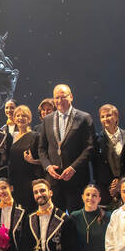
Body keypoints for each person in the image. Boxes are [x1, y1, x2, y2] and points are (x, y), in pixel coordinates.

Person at [38, 84, 94, 213]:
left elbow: (90, 148)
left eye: (63, 97)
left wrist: (74, 168)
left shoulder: (84, 118)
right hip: (54, 180)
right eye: (56, 98)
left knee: (76, 220)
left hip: (77, 179)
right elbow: (41, 149)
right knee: (56, 220)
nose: (59, 101)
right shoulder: (47, 119)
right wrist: (48, 167)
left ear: (71, 97)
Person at [6, 105, 41, 212]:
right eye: (18, 115)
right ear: (14, 119)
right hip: (16, 181)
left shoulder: (36, 136)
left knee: (31, 211)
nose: (20, 118)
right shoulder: (13, 137)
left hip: (30, 180)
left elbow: (45, 160)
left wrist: (33, 161)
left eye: (24, 116)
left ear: (29, 119)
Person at [93, 104, 123, 208]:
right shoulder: (96, 140)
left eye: (109, 115)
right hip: (105, 189)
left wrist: (120, 180)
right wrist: (112, 186)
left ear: (116, 117)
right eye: (102, 116)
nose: (106, 119)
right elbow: (96, 168)